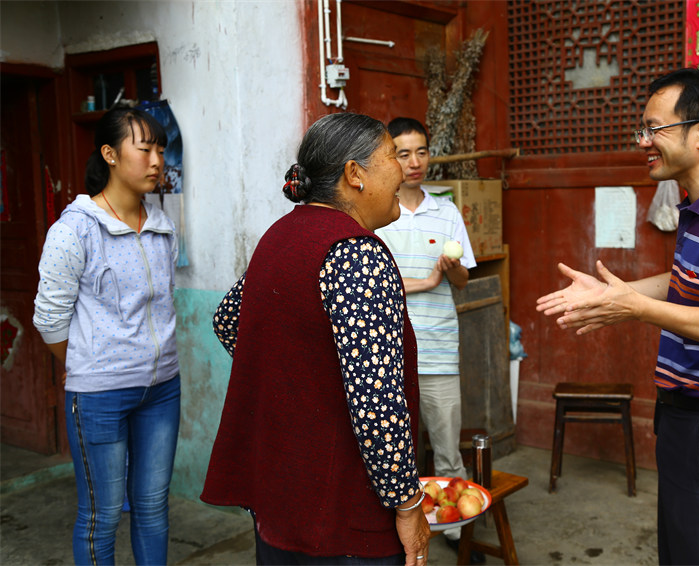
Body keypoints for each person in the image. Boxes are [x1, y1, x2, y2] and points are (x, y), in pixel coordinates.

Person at [536, 67, 699, 566]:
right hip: (689, 419)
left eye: (655, 129)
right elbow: (688, 284)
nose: (644, 141)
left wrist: (634, 308)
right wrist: (615, 293)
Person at [201, 113, 430, 566]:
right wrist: (407, 504)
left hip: (279, 497)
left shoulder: (280, 235)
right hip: (342, 512)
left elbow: (229, 321)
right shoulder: (355, 252)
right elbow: (377, 399)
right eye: (391, 157)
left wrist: (301, 388)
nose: (403, 170)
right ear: (354, 175)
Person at [33, 107, 181, 565]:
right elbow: (49, 319)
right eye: (145, 149)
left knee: (153, 508)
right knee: (101, 516)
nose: (157, 160)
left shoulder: (162, 224)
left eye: (161, 149)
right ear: (110, 155)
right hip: (99, 395)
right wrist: (85, 365)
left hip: (162, 390)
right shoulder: (74, 231)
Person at [374, 117, 481, 561]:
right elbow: (372, 283)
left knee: (446, 447)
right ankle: (397, 534)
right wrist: (424, 280)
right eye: (403, 153)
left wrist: (450, 268)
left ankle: (459, 535)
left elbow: (461, 281)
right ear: (388, 158)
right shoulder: (378, 212)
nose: (414, 162)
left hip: (437, 348)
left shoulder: (446, 210)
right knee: (394, 450)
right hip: (388, 352)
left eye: (421, 151)